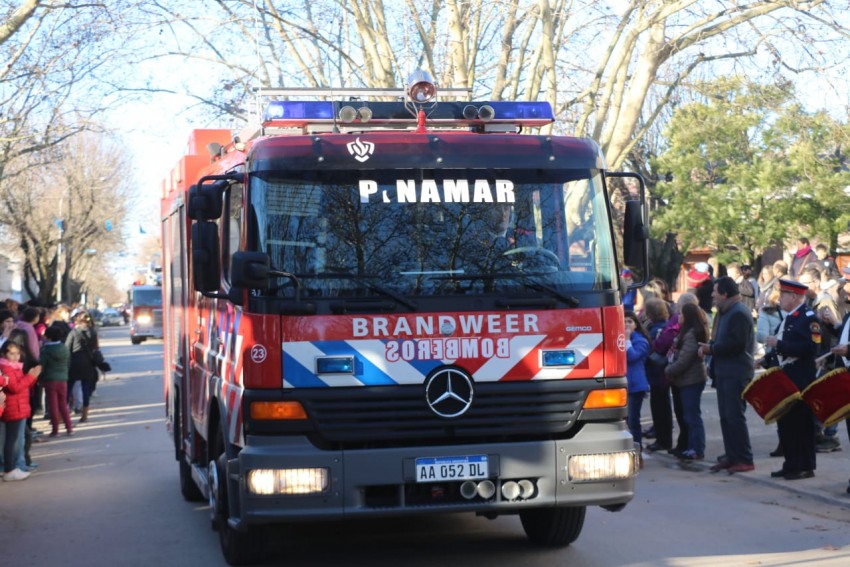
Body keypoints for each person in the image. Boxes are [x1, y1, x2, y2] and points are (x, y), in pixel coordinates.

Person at [698, 276, 755, 474]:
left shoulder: (738, 312)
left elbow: (736, 345)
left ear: (724, 293)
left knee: (734, 417)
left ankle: (744, 458)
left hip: (736, 372)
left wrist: (710, 349)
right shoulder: (727, 311)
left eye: (715, 292)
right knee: (726, 417)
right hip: (725, 372)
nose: (712, 295)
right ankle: (732, 456)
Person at [764, 279, 820, 480]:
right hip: (785, 378)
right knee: (786, 423)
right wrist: (766, 359)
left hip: (800, 379)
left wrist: (779, 346)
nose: (780, 298)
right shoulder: (789, 317)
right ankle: (790, 463)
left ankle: (804, 465)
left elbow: (811, 348)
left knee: (801, 424)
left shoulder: (808, 318)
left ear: (795, 297)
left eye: (784, 295)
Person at [664, 303, 709, 461]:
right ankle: (690, 446)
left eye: (681, 314)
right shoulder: (686, 331)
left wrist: (669, 370)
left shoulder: (692, 333)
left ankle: (697, 448)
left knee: (692, 415)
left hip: (692, 379)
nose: (679, 317)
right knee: (687, 415)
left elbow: (684, 359)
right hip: (685, 379)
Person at [0, 341, 41, 481]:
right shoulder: (6, 368)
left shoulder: (13, 367)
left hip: (17, 406)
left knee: (13, 439)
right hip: (13, 408)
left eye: (17, 353)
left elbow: (22, 385)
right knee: (12, 441)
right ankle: (10, 469)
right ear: (4, 354)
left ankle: (11, 467)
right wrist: (31, 376)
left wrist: (31, 377)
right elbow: (15, 388)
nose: (16, 356)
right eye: (12, 353)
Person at [642, 298, 672, 453]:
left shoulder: (656, 329)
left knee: (660, 408)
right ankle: (662, 437)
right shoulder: (661, 326)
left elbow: (650, 349)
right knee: (661, 406)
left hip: (657, 374)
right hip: (660, 374)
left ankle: (662, 440)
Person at [624, 311, 651, 454]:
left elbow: (633, 356)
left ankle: (637, 449)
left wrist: (627, 339)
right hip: (624, 385)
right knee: (626, 420)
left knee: (634, 420)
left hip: (636, 385)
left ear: (636, 325)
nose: (626, 324)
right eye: (624, 321)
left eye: (630, 321)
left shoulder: (640, 341)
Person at [39, 326, 73, 437]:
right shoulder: (64, 348)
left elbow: (42, 366)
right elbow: (68, 363)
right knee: (63, 404)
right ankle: (69, 427)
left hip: (50, 379)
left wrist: (40, 379)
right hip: (63, 378)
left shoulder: (45, 350)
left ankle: (55, 430)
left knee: (53, 405)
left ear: (48, 337)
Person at [66, 311, 99, 424]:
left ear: (78, 320)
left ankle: (63, 414)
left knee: (68, 388)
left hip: (74, 362)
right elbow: (96, 347)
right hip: (88, 363)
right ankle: (85, 415)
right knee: (86, 389)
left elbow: (67, 348)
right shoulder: (93, 332)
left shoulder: (74, 332)